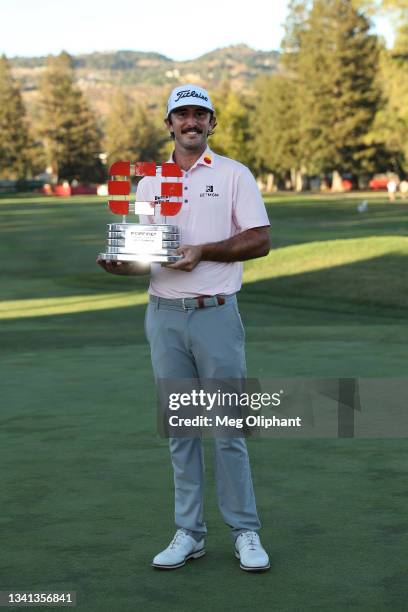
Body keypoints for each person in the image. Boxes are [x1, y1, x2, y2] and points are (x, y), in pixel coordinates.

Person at [97, 84, 271, 572]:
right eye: (182, 115)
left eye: (200, 114)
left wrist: (205, 251)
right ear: (169, 123)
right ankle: (189, 533)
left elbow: (259, 241)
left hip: (216, 312)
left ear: (212, 123)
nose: (191, 122)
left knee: (228, 429)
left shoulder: (235, 174)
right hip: (164, 316)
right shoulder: (150, 182)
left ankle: (245, 531)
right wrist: (122, 265)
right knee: (181, 430)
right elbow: (151, 255)